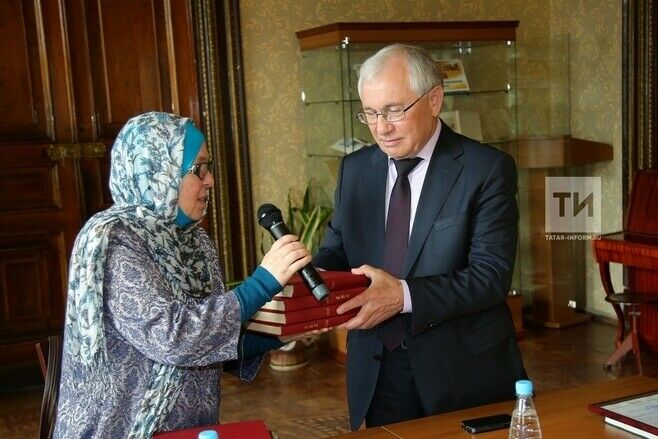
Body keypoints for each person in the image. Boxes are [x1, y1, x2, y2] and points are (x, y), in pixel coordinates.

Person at [53, 111, 314, 438]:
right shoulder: (113, 241)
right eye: (198, 169)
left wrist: (280, 334)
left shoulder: (193, 240)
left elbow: (208, 344)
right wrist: (262, 283)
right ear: (158, 172)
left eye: (209, 167)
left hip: (189, 429)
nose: (210, 181)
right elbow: (173, 338)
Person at [313, 44, 528, 430]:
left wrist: (403, 296)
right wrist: (305, 275)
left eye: (394, 110)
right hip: (379, 367)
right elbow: (337, 250)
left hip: (463, 369)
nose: (381, 127)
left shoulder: (486, 169)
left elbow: (491, 278)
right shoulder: (355, 170)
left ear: (434, 100)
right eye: (371, 113)